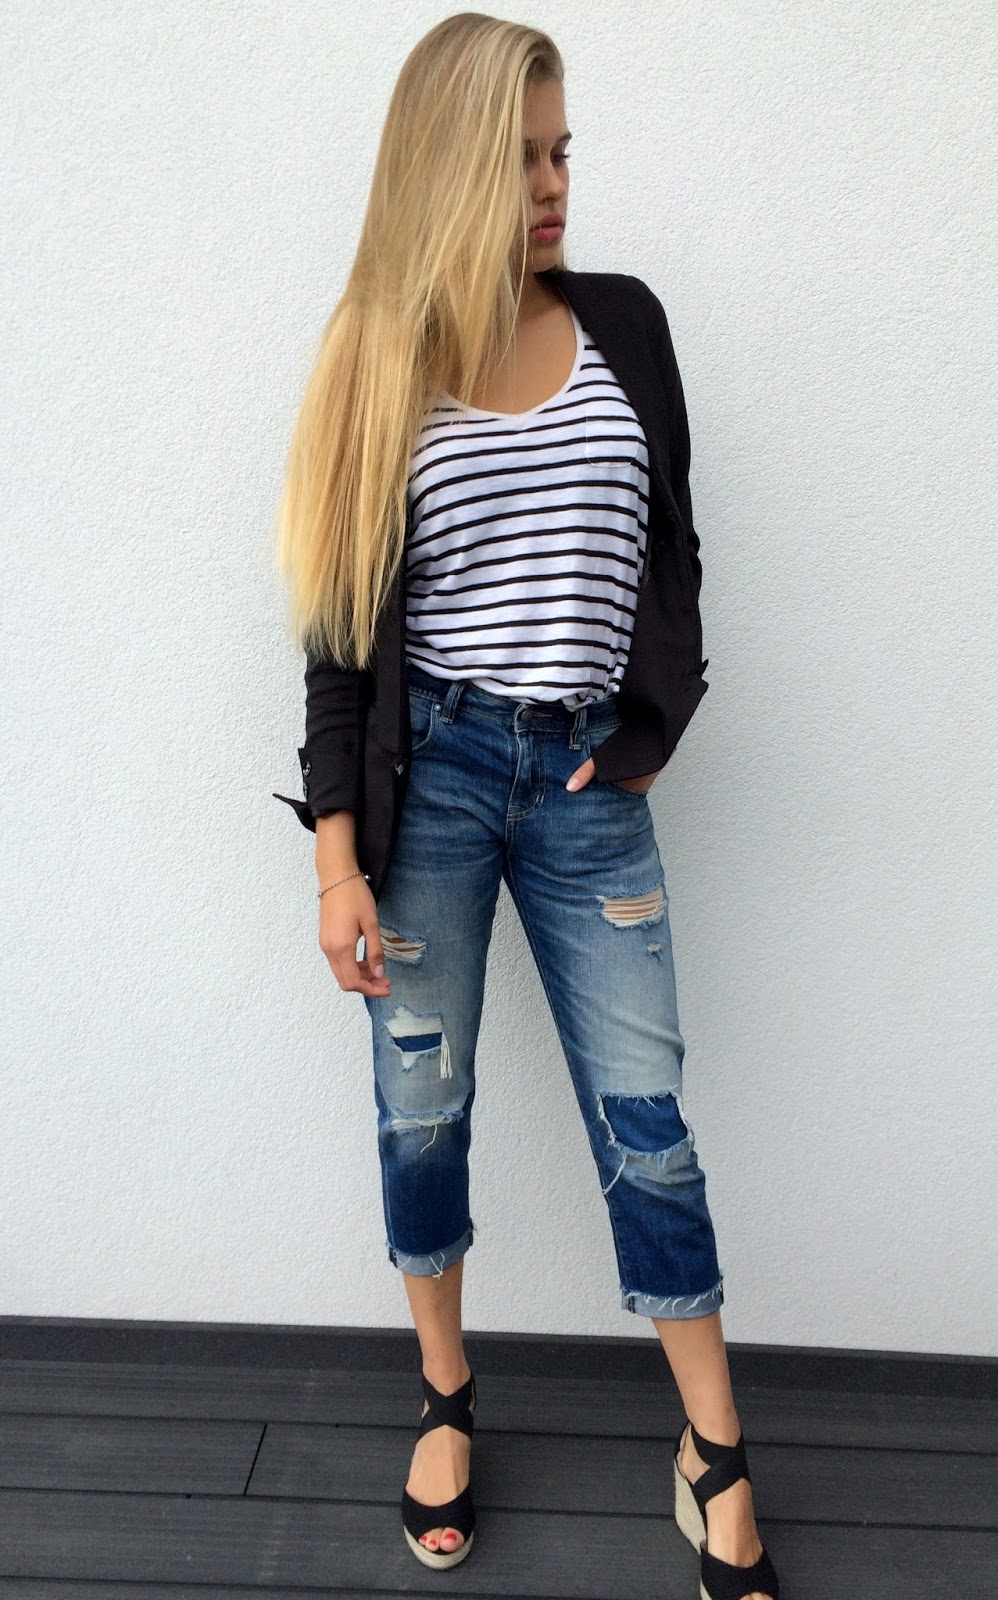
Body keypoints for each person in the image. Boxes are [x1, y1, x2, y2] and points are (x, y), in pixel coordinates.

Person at [270, 14, 779, 1600]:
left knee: (646, 1120)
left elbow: (669, 552)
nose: (554, 185)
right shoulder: (373, 356)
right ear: (444, 169)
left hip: (578, 786)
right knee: (420, 1106)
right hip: (424, 782)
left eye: (562, 153)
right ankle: (444, 1396)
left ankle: (713, 1450)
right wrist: (335, 868)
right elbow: (339, 642)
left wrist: (649, 733)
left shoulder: (624, 326)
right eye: (519, 158)